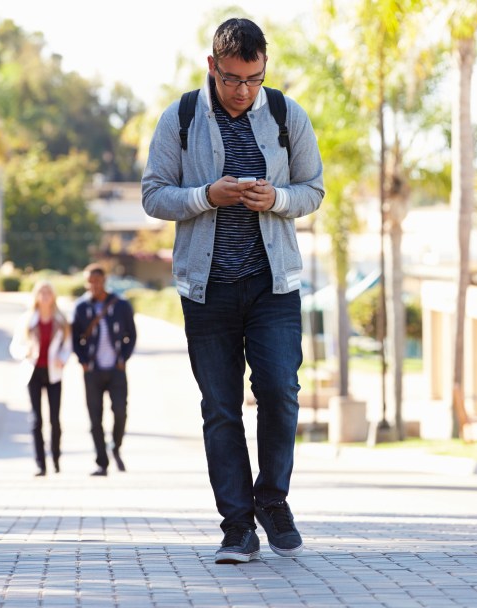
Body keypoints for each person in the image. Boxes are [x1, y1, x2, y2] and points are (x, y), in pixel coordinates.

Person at [141, 18, 324, 564]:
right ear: (211, 67)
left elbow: (312, 189)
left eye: (253, 79)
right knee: (221, 407)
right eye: (231, 79)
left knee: (280, 391)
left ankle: (272, 498)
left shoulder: (288, 115)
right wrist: (206, 195)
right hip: (207, 290)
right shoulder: (182, 118)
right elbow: (154, 195)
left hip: (274, 286)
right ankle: (237, 526)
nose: (243, 91)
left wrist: (279, 200)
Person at [71, 263, 137, 478]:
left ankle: (116, 446)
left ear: (104, 281)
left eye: (97, 281)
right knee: (94, 417)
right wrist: (83, 361)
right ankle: (102, 462)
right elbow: (75, 338)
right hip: (93, 371)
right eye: (89, 281)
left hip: (116, 369)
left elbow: (131, 335)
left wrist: (123, 358)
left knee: (120, 411)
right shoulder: (81, 307)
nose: (93, 285)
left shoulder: (121, 305)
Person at [10, 281, 72, 477]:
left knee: (55, 419)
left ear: (53, 296)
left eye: (48, 292)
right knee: (36, 420)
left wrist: (62, 359)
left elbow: (67, 346)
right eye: (41, 293)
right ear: (36, 296)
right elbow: (15, 346)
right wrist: (24, 352)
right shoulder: (27, 320)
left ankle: (55, 458)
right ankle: (40, 464)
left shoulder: (61, 320)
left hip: (53, 373)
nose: (45, 296)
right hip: (33, 372)